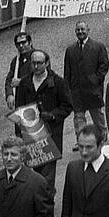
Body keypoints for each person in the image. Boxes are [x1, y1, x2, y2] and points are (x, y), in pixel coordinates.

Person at [16, 49, 72, 193]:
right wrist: (19, 135)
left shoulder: (58, 82)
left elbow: (67, 106)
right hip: (30, 137)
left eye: (39, 63)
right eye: (33, 63)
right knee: (33, 175)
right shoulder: (24, 83)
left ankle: (46, 203)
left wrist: (53, 115)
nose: (35, 66)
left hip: (50, 137)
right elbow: (19, 108)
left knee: (47, 177)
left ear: (47, 63)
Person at [64, 21, 109, 150]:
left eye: (83, 29)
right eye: (78, 30)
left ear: (88, 30)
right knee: (78, 118)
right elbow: (67, 71)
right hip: (76, 90)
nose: (80, 32)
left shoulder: (98, 46)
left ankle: (102, 138)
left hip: (93, 89)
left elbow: (104, 65)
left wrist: (96, 79)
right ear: (75, 32)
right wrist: (68, 88)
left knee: (97, 115)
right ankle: (81, 141)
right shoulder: (70, 50)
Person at [5, 32, 34, 111]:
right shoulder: (16, 61)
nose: (21, 46)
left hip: (35, 98)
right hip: (21, 100)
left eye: (24, 42)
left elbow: (40, 77)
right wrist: (9, 94)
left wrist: (21, 81)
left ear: (30, 42)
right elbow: (9, 79)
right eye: (18, 44)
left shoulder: (38, 57)